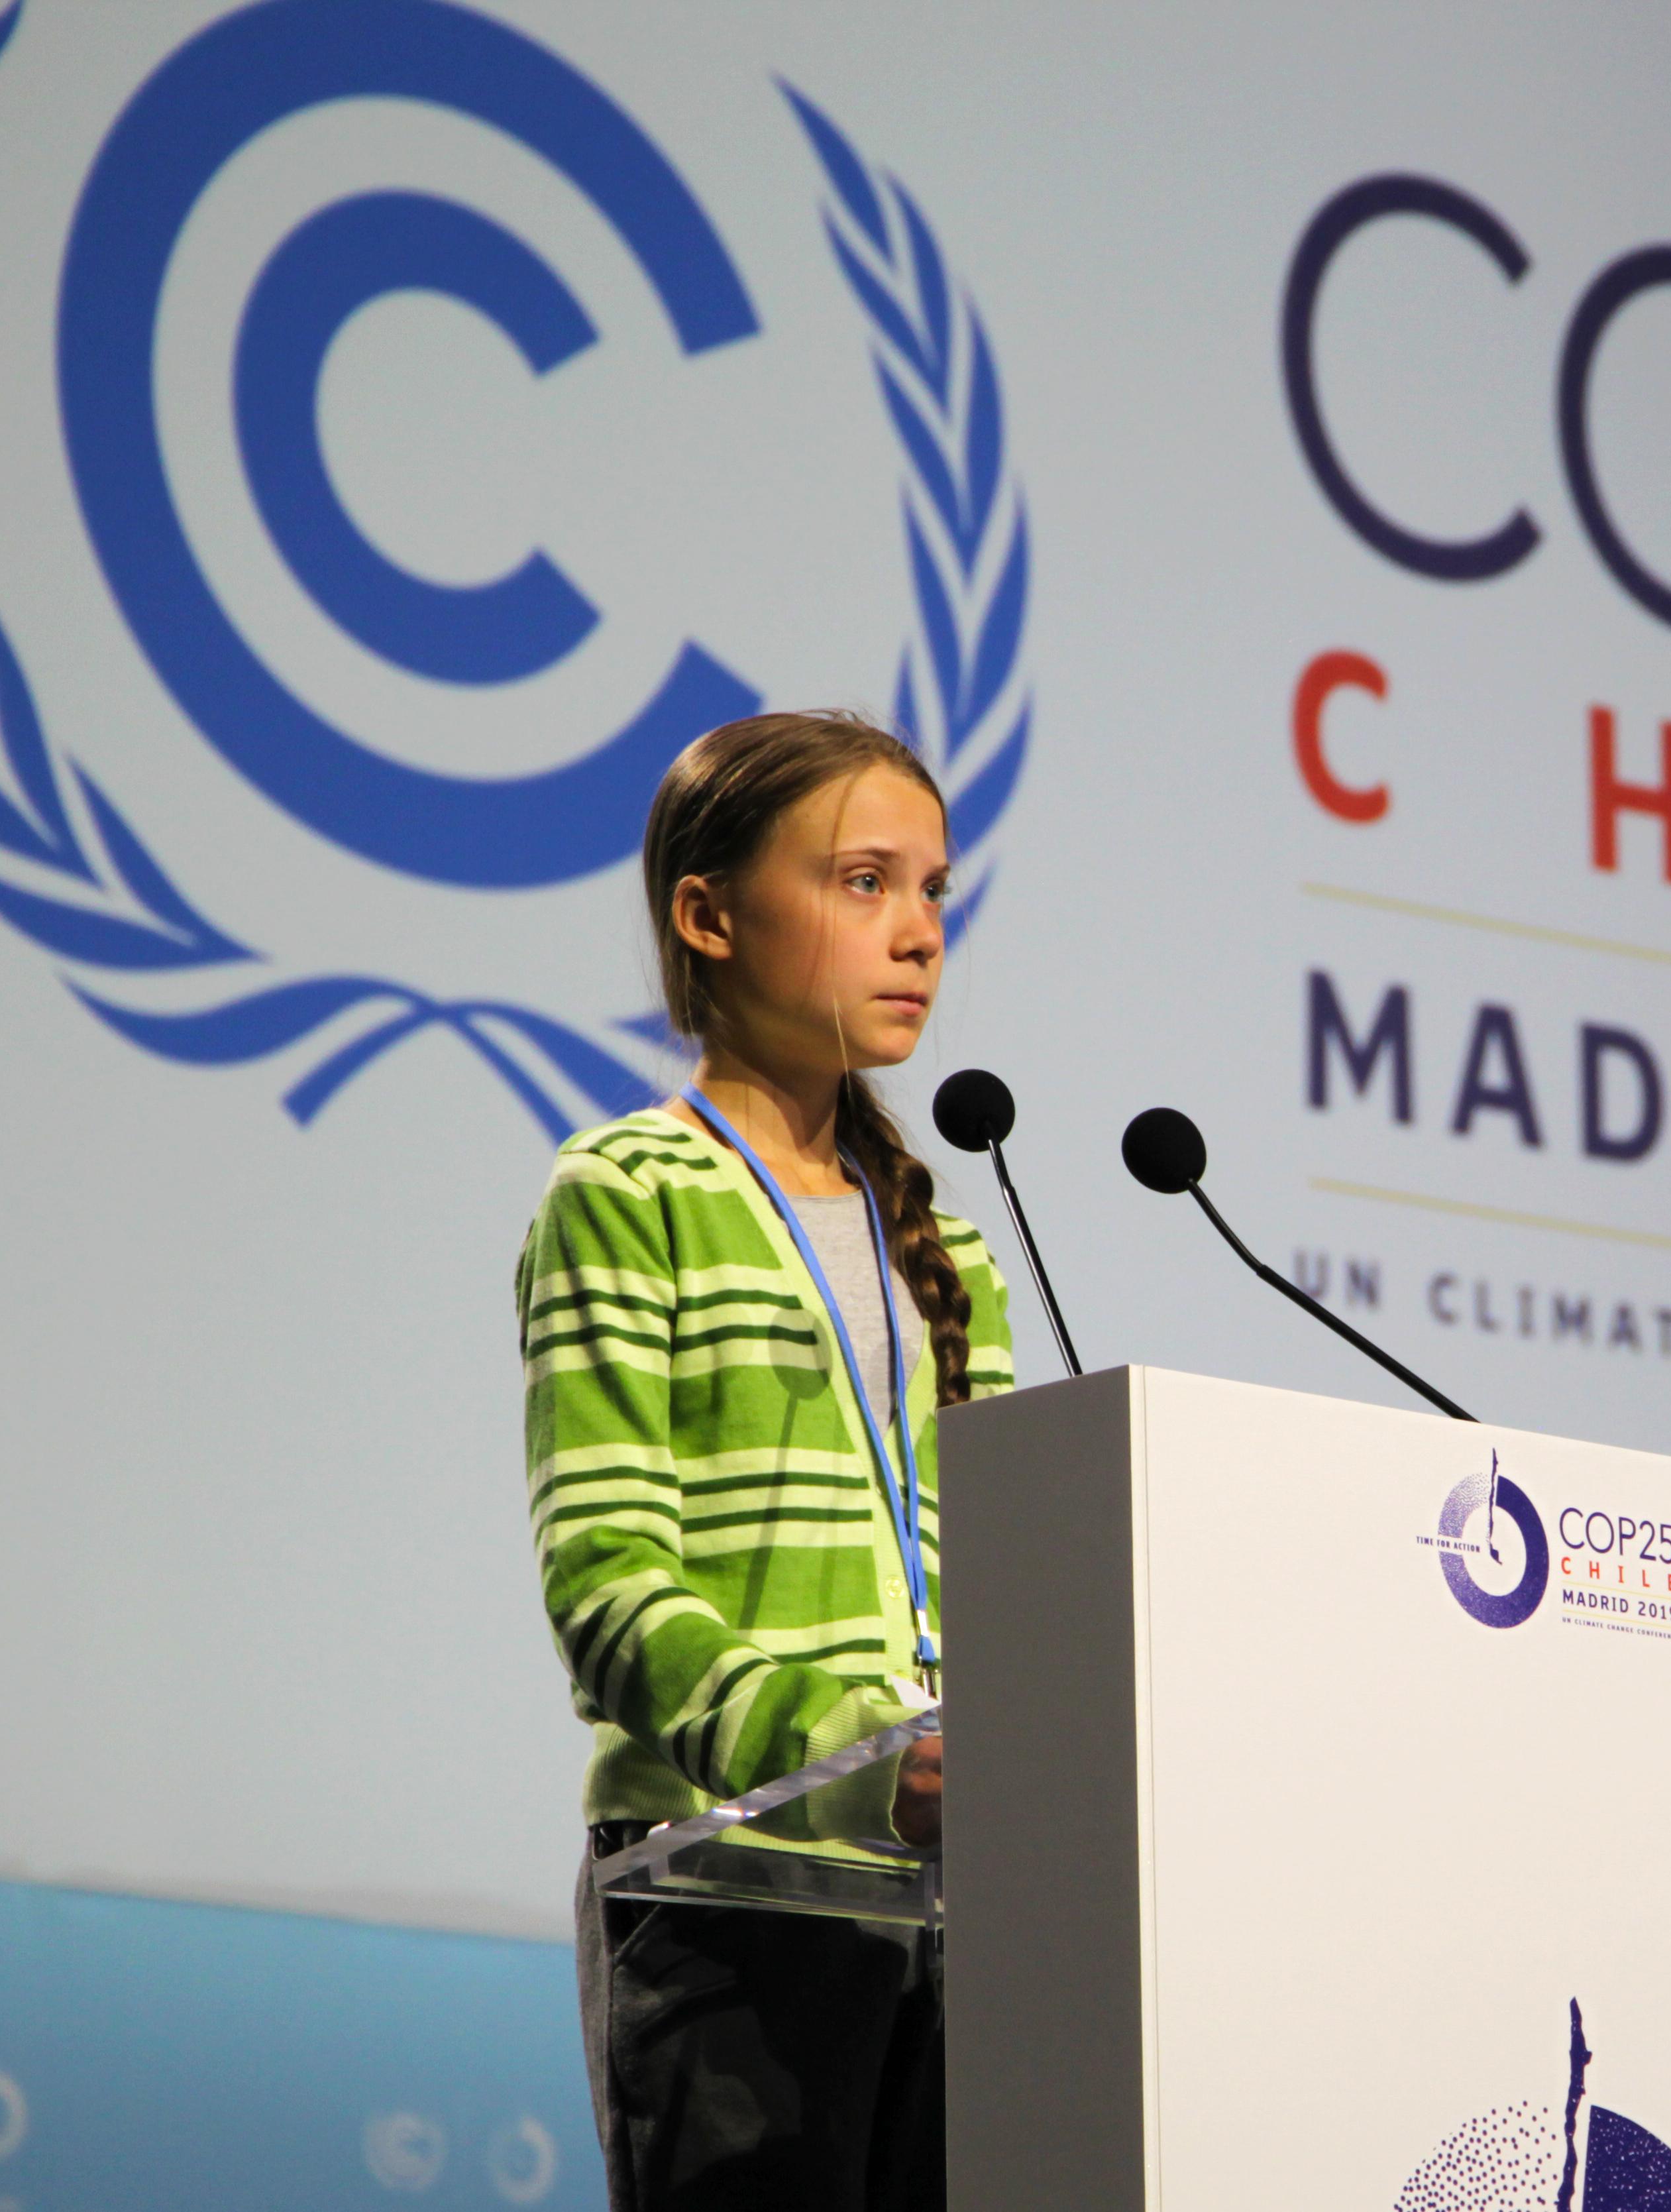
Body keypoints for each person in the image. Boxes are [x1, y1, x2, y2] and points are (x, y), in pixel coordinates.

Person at [515, 710, 1017, 2211]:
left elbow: (999, 1589)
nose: (919, 931)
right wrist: (860, 1764)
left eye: (935, 889)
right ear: (709, 914)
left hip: (955, 1924)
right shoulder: (629, 1188)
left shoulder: (958, 1249)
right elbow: (609, 1579)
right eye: (866, 881)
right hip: (727, 1900)